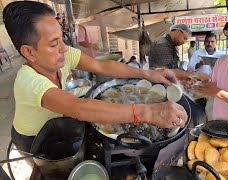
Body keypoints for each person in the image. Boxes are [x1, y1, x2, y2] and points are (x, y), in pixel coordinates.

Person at [3, 1, 188, 153]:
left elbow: (100, 65)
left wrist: (147, 74)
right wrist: (148, 112)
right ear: (29, 52)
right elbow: (78, 107)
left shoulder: (62, 56)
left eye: (62, 38)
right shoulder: (28, 82)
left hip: (57, 123)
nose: (64, 48)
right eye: (53, 44)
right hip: (34, 139)